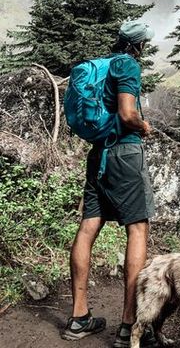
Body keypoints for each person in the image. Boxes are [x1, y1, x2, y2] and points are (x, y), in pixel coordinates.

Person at [62, 21, 157, 347]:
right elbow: (127, 113)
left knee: (88, 227)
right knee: (138, 229)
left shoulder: (102, 65)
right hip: (125, 154)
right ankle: (129, 326)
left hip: (99, 155)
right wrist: (143, 126)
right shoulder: (128, 64)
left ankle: (79, 318)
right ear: (139, 45)